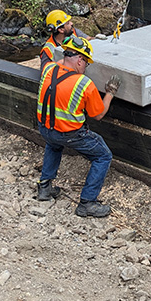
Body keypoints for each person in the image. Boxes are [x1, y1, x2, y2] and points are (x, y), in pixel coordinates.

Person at [35, 34, 121, 217]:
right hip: (70, 133)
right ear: (80, 60)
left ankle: (45, 188)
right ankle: (87, 203)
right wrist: (110, 93)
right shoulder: (83, 84)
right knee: (103, 156)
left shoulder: (49, 68)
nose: (86, 67)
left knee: (53, 144)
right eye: (86, 63)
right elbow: (98, 114)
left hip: (45, 128)